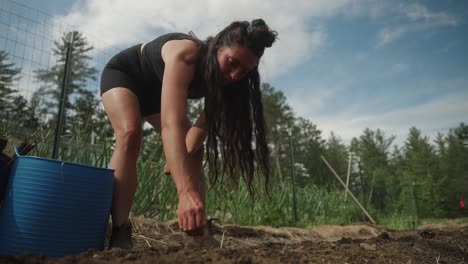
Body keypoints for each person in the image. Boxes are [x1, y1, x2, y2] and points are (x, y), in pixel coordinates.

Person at [100, 18, 277, 249]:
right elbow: (172, 124)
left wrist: (180, 161)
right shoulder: (187, 54)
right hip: (127, 75)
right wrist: (185, 191)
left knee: (194, 151)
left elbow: (198, 130)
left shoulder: (229, 83)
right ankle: (121, 230)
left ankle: (199, 233)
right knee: (130, 133)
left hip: (156, 95)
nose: (235, 75)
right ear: (217, 47)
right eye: (232, 63)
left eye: (245, 71)